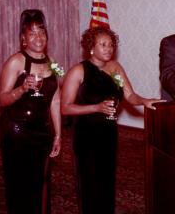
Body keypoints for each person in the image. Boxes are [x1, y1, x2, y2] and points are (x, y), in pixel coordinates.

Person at [61, 26, 161, 214]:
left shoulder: (115, 68)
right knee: (89, 181)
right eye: (103, 45)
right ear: (91, 47)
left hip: (108, 133)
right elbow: (65, 107)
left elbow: (130, 95)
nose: (109, 48)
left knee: (106, 179)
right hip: (86, 136)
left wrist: (144, 101)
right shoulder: (78, 71)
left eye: (111, 45)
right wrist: (96, 107)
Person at [0, 9, 61, 214]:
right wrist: (22, 88)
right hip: (17, 131)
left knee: (41, 182)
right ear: (23, 38)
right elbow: (3, 99)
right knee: (20, 183)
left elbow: (55, 100)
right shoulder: (16, 61)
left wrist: (58, 134)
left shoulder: (52, 63)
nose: (38, 37)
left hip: (42, 131)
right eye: (32, 33)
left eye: (41, 32)